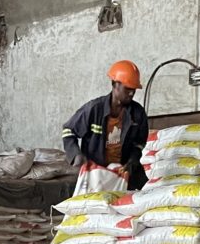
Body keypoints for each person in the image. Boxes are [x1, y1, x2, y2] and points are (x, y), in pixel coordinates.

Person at [61, 60, 150, 190]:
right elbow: (68, 131)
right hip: (97, 175)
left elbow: (140, 144)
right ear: (115, 84)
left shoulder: (138, 113)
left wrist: (133, 161)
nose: (131, 93)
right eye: (128, 89)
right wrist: (76, 155)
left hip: (124, 175)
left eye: (134, 90)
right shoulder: (94, 109)